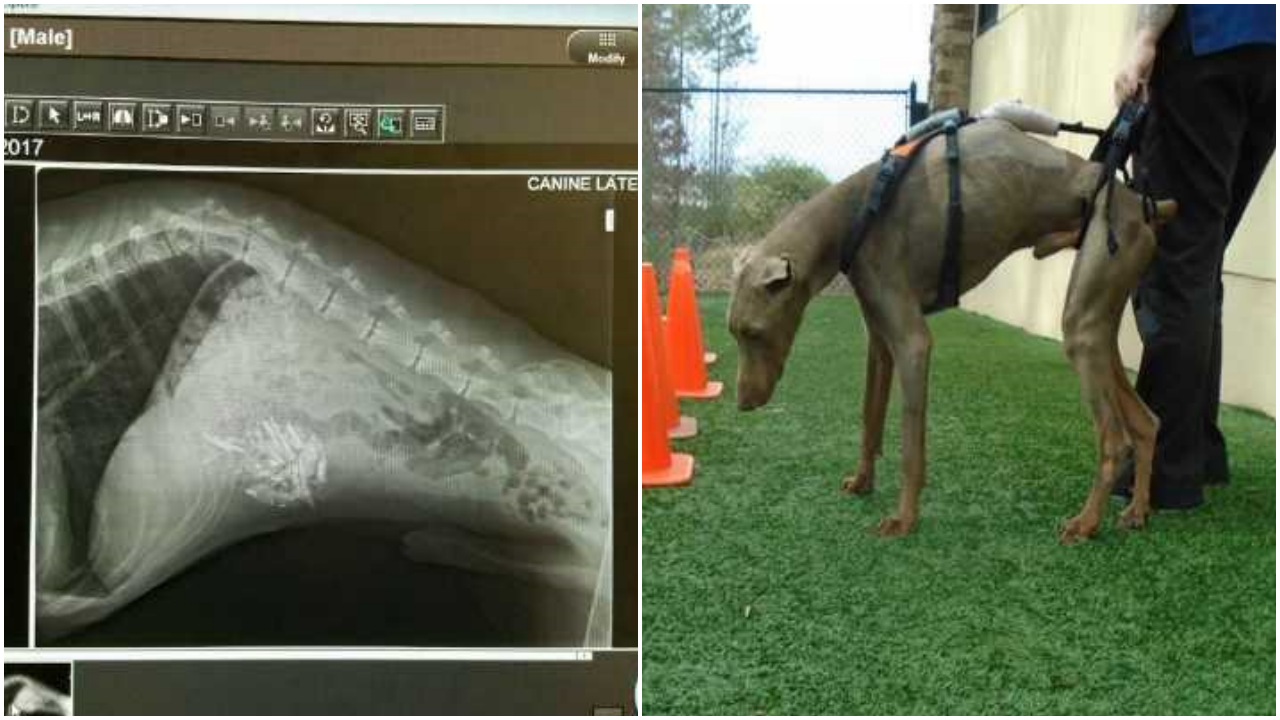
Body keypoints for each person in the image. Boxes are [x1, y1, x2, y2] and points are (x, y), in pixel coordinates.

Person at [1112, 5, 1275, 508]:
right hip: (1269, 61)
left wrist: (1145, 36)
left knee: (1178, 258)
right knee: (1201, 256)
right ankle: (1200, 449)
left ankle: (1164, 467)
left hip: (1206, 44)